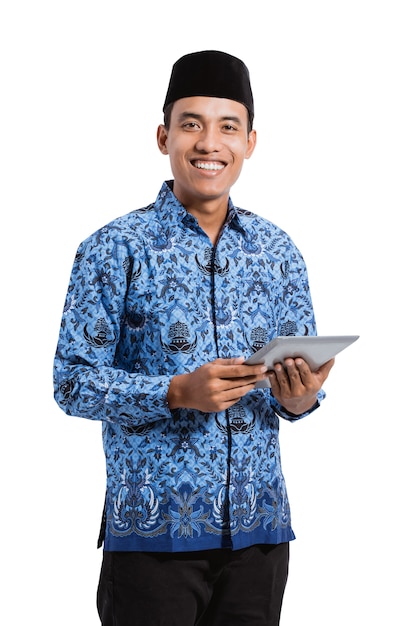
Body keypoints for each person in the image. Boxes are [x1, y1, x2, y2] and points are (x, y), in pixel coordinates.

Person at [53, 50, 334, 626]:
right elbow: (72, 382)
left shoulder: (278, 253)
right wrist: (177, 392)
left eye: (228, 127)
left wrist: (301, 397)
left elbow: (297, 398)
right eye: (192, 124)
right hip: (152, 542)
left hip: (261, 538)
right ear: (163, 136)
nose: (210, 143)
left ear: (250, 142)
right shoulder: (114, 248)